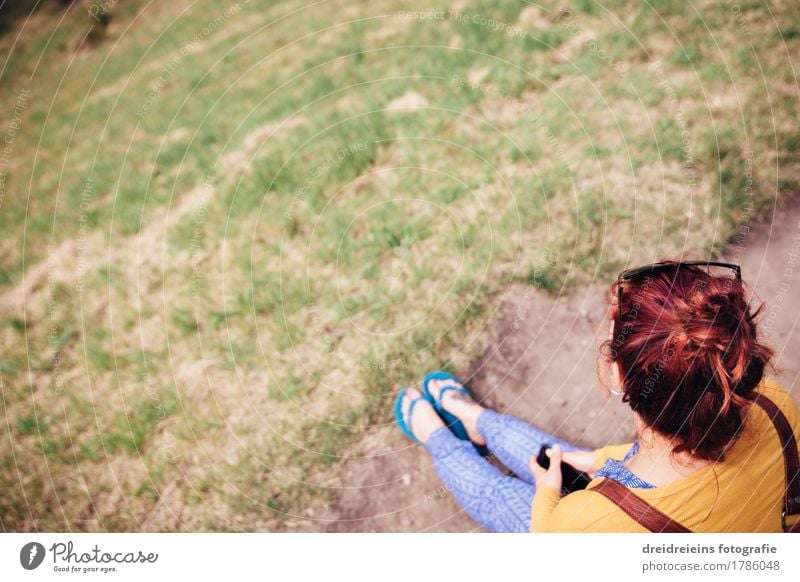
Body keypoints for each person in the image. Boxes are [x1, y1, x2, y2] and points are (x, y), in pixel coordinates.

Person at [394, 260, 800, 532]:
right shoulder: (768, 400)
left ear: (617, 377)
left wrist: (549, 492)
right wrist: (597, 460)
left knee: (499, 496)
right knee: (567, 459)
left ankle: (440, 435)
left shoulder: (585, 525)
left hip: (580, 528)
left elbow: (555, 533)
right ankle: (474, 420)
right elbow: (683, 453)